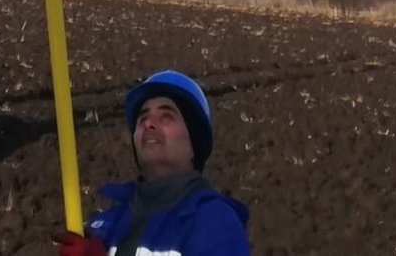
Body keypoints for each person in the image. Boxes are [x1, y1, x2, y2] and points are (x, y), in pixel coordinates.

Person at [53, 71, 250, 256]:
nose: (148, 123)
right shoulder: (104, 225)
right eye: (143, 117)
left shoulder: (214, 222)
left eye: (166, 116)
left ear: (193, 145)